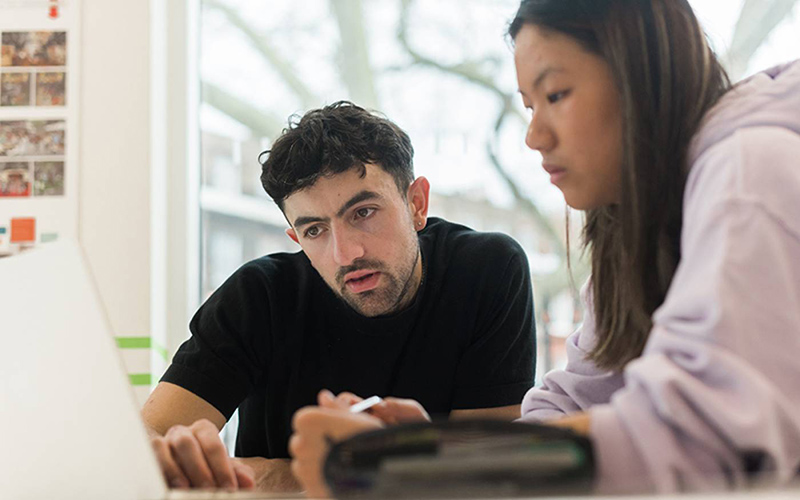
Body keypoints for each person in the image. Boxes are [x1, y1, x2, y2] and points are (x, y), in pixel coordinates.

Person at [289, 0, 800, 496]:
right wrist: (451, 446)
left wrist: (434, 460)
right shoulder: (637, 226)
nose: (534, 135)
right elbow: (575, 397)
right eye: (529, 105)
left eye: (555, 95)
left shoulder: (749, 174)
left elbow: (699, 445)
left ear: (641, 76)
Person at [141, 102, 537, 492]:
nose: (346, 255)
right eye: (315, 230)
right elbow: (143, 448)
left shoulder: (486, 271)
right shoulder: (258, 297)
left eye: (363, 213)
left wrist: (269, 475)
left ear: (416, 204)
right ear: (296, 238)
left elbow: (490, 473)